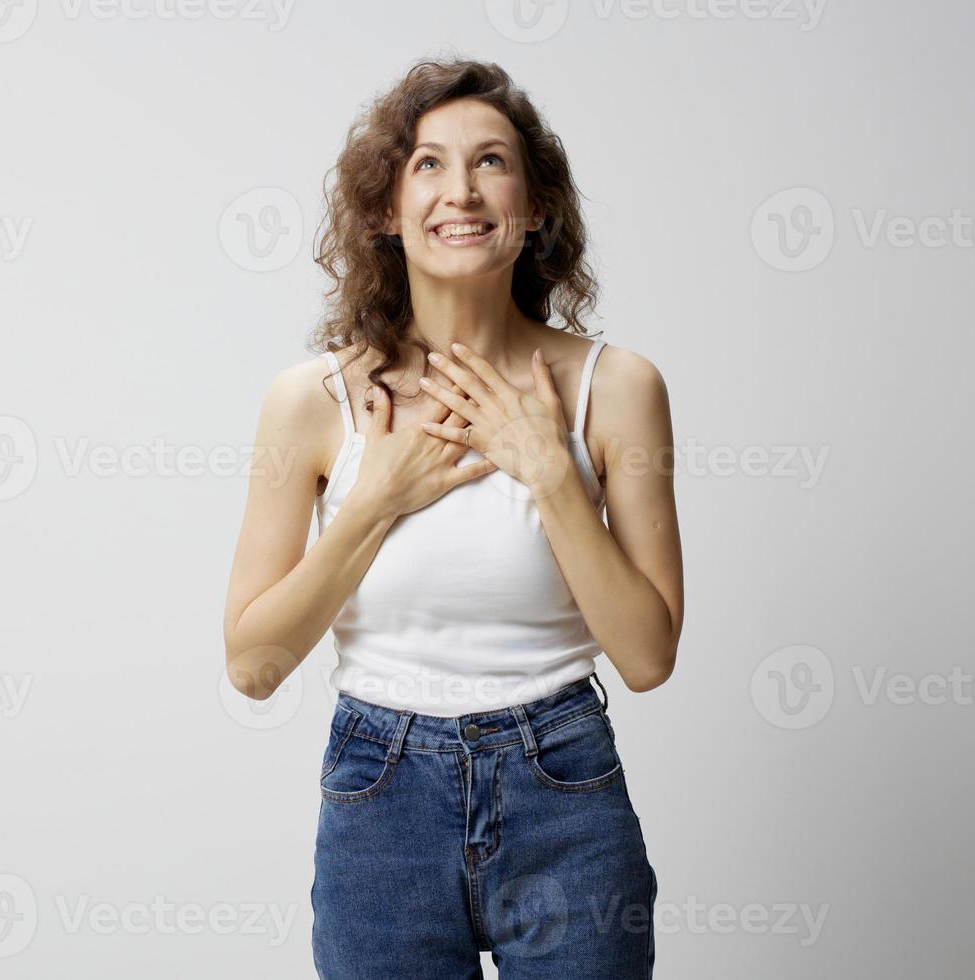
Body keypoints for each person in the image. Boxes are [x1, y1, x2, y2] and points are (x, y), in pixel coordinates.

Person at [223, 57, 684, 979]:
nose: (461, 190)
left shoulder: (616, 388)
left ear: (536, 205)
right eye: (427, 164)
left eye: (492, 162)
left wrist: (550, 470)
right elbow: (253, 663)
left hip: (566, 791)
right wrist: (375, 503)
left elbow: (646, 657)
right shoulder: (310, 401)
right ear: (386, 211)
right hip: (380, 798)